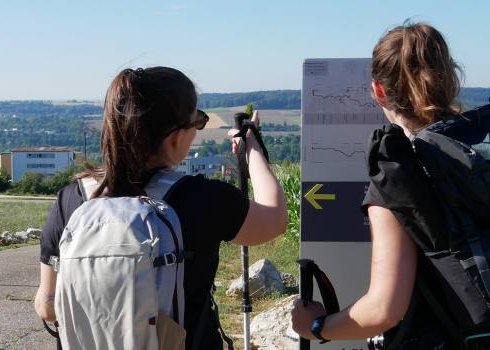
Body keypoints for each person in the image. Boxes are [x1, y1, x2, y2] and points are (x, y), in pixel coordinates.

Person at [34, 66, 288, 349]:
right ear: (176, 137)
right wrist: (251, 148)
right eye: (198, 122)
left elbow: (47, 305)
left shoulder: (71, 199)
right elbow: (275, 217)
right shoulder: (202, 198)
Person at [292, 22, 490, 349]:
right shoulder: (480, 146)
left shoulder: (398, 173)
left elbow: (384, 308)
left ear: (379, 91)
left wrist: (316, 325)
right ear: (450, 78)